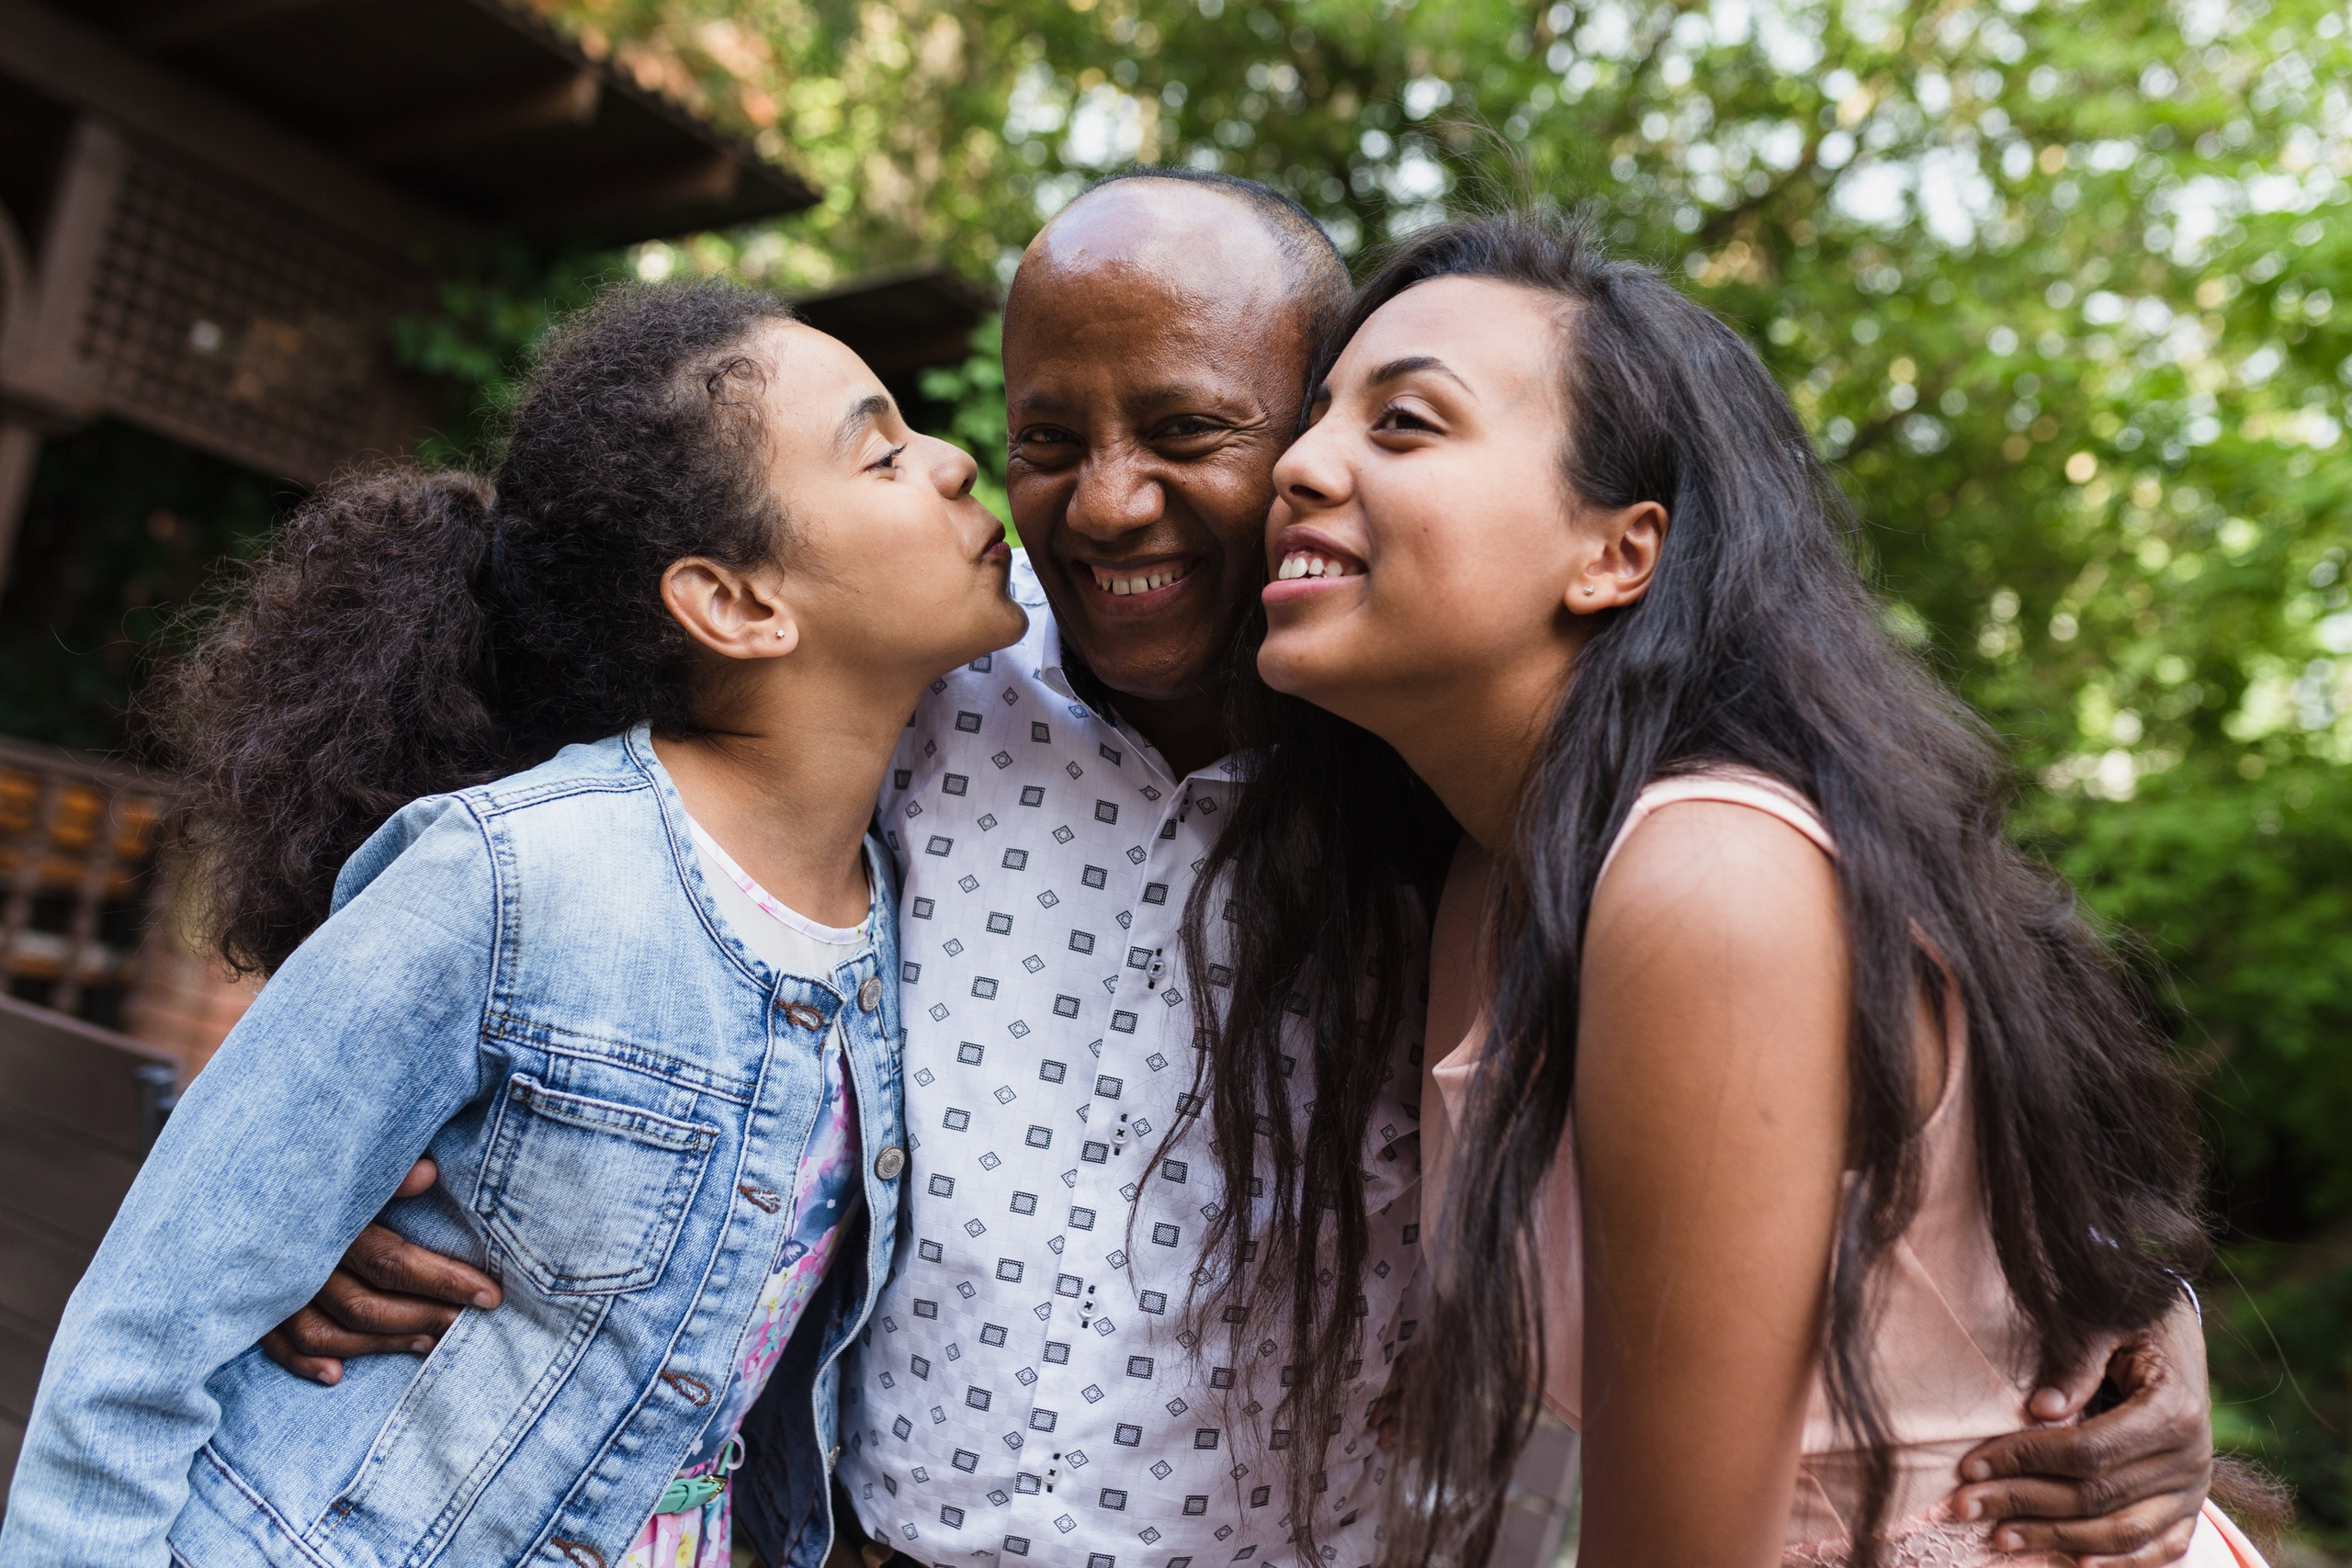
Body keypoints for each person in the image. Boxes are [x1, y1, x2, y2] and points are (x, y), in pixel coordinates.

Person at [267, 175, 2220, 1568]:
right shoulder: (930, 677)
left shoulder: (1444, 805)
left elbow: (1916, 1043)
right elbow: (529, 801)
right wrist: (352, 1153)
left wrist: (2118, 1307)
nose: (1111, 500)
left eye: (1207, 430)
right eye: (1045, 437)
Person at [1246, 207, 2266, 1568]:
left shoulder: (1710, 880)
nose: (1297, 465)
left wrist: (2156, 1306)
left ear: (1619, 553)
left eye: (1406, 424)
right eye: (1312, 419)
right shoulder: (1493, 878)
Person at [0, 279, 1028, 1568]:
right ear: (736, 604)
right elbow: (138, 1350)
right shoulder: (512, 879)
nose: (952, 459)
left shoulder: (887, 919)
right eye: (880, 452)